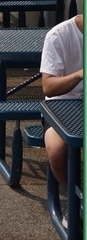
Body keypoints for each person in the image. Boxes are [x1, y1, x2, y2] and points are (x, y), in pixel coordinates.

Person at [40, 14, 84, 189]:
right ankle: (76, 201)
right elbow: (48, 87)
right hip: (60, 105)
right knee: (57, 150)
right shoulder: (58, 35)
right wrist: (81, 74)